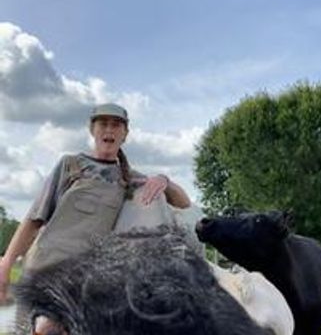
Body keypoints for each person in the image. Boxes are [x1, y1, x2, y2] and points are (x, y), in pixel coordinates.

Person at [0, 103, 190, 303]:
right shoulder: (70, 165)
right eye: (103, 124)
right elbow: (33, 220)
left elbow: (183, 203)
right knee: (46, 329)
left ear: (125, 134)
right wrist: (6, 265)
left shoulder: (130, 180)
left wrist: (164, 181)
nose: (109, 129)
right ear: (92, 130)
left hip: (89, 281)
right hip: (46, 269)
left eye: (116, 125)